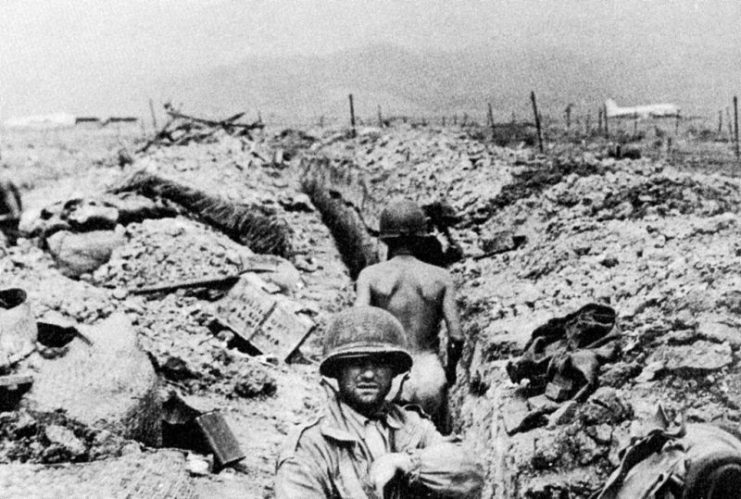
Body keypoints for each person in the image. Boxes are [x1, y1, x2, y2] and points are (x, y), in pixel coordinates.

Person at [274, 306, 483, 499]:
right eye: (356, 363)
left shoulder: (411, 425)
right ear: (338, 371)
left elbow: (469, 472)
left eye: (380, 364)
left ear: (393, 372)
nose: (368, 374)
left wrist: (406, 462)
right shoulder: (311, 445)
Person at [355, 199, 463, 431]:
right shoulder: (441, 277)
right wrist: (451, 372)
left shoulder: (370, 276)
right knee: (434, 446)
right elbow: (457, 337)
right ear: (421, 238)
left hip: (391, 376)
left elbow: (357, 326)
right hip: (430, 376)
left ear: (385, 239)